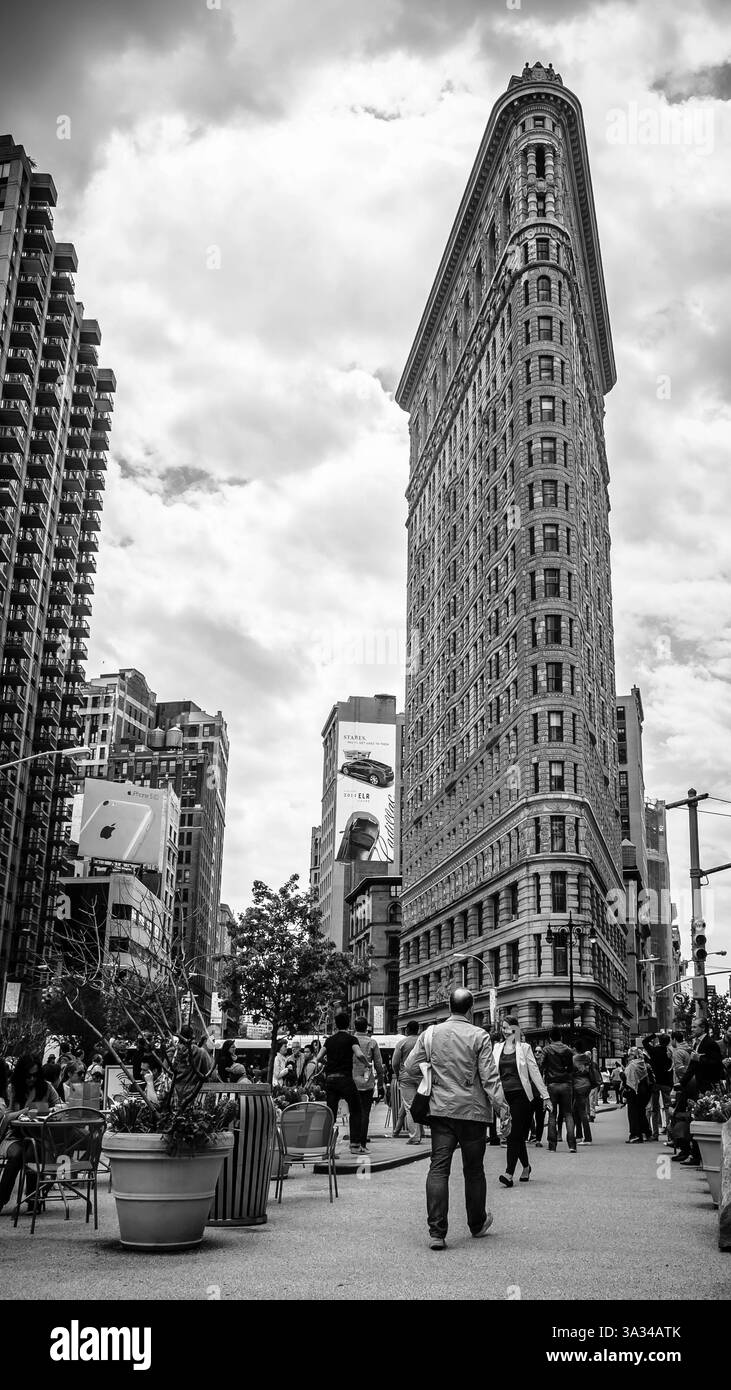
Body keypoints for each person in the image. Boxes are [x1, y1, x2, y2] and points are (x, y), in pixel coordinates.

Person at [404, 987, 507, 1250]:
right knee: (474, 1170)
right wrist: (502, 1109)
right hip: (473, 1113)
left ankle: (437, 1232)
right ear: (471, 1009)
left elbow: (409, 1067)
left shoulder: (430, 1034)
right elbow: (489, 1077)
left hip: (440, 1111)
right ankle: (477, 1223)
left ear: (449, 1007)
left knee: (438, 1167)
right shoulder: (479, 1036)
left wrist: (432, 1077)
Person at [493, 1016, 551, 1185]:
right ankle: (526, 1166)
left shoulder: (524, 1048)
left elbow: (534, 1071)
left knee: (512, 1134)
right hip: (503, 1098)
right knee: (516, 1136)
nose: (504, 1031)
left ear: (515, 1029)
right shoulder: (497, 1048)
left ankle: (509, 1173)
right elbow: (491, 1071)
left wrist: (545, 1095)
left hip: (521, 1097)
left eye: (508, 1027)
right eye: (503, 1028)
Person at [0, 1054, 63, 1211]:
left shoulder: (46, 1087)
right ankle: (11, 1199)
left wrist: (47, 1110)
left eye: (35, 1075)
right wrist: (27, 1111)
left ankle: (31, 1199)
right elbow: (7, 1117)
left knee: (32, 1152)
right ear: (22, 1074)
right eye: (28, 1075)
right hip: (14, 1135)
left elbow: (61, 1107)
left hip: (38, 1135)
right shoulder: (13, 1088)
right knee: (19, 1155)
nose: (32, 1079)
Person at [314, 1013, 367, 1154]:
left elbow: (318, 1057)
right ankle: (355, 1146)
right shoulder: (351, 1039)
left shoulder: (329, 1040)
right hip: (345, 1079)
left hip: (331, 1080)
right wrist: (367, 1064)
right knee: (356, 1110)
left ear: (336, 1024)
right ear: (348, 1023)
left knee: (330, 1113)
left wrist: (329, 1063)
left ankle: (327, 1149)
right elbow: (359, 1054)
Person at [541, 1027, 576, 1153]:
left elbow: (542, 1065)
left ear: (550, 1038)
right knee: (568, 1114)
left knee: (552, 1115)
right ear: (561, 1037)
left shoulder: (547, 1049)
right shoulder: (568, 1050)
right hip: (566, 1084)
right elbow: (572, 1068)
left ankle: (552, 1145)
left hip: (552, 1085)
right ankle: (572, 1145)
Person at [353, 1017, 384, 1151]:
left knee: (354, 1112)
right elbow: (378, 1065)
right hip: (367, 1083)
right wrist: (381, 1084)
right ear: (367, 1028)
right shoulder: (372, 1043)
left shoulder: (350, 1041)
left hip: (352, 1082)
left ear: (355, 1027)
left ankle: (353, 1143)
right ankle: (362, 1143)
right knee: (365, 1113)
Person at [391, 1022, 423, 1143]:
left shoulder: (402, 1043)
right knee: (420, 1104)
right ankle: (419, 1132)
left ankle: (415, 1136)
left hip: (406, 1077)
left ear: (407, 1030)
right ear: (418, 1029)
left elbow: (394, 1063)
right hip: (422, 1076)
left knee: (409, 1106)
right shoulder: (422, 1041)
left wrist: (398, 1074)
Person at [643, 1033, 673, 1138]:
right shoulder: (670, 1052)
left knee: (654, 1109)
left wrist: (654, 1035)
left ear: (659, 1041)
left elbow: (644, 1042)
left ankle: (655, 1134)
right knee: (668, 1108)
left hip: (655, 1082)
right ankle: (670, 1133)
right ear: (668, 1042)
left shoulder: (654, 1051)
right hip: (667, 1083)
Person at [624, 1048, 651, 1142]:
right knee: (641, 1112)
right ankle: (646, 1133)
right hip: (644, 1091)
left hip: (633, 1090)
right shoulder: (643, 1064)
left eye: (630, 1055)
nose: (628, 1057)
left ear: (634, 1055)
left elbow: (628, 1078)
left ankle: (635, 1134)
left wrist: (621, 1073)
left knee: (633, 1113)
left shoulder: (632, 1065)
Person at [571, 1051, 593, 1144]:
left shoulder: (575, 1060)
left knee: (581, 1112)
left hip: (579, 1087)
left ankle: (587, 1138)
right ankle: (579, 1136)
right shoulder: (586, 1061)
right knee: (575, 1110)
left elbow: (571, 1073)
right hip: (586, 1086)